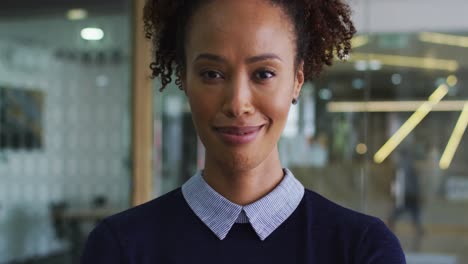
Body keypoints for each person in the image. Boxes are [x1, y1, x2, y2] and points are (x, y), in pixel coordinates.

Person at [81, 0, 405, 263]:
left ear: (297, 80)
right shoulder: (120, 248)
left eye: (263, 73)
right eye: (211, 73)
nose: (238, 103)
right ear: (184, 80)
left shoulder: (362, 250)